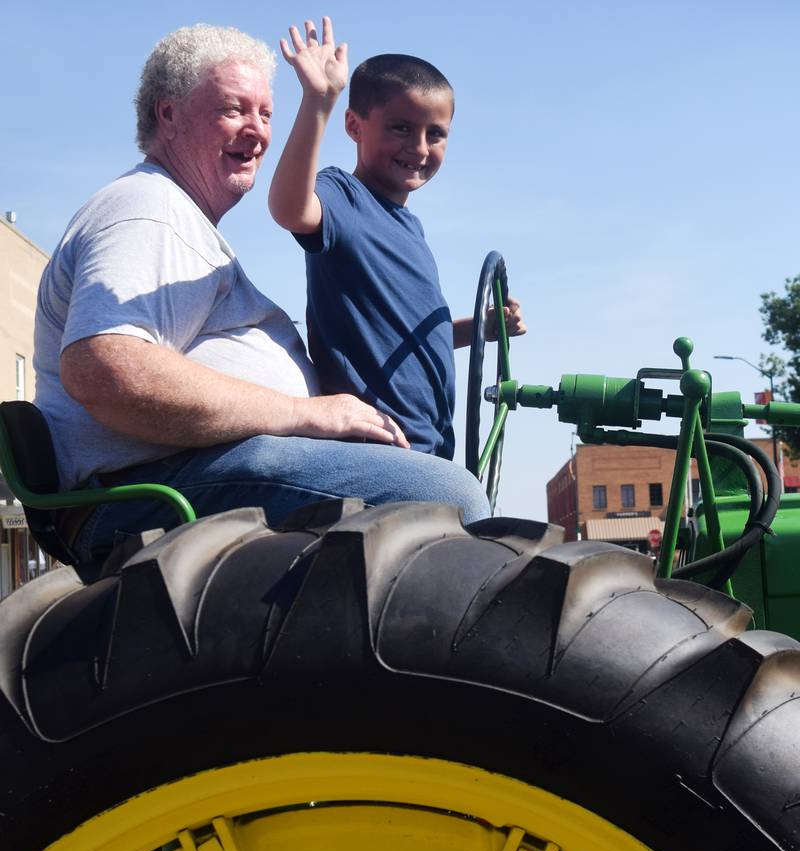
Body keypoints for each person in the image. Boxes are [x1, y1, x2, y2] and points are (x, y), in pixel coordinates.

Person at [32, 23, 491, 567]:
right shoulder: (148, 210)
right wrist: (307, 413)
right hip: (146, 495)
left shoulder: (184, 223)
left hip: (193, 475)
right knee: (448, 498)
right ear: (168, 114)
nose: (256, 131)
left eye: (265, 114)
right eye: (233, 109)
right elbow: (103, 371)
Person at [268, 18, 526, 461]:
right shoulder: (344, 197)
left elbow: (410, 335)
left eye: (436, 134)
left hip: (430, 446)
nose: (420, 148)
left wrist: (479, 330)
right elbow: (291, 209)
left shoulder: (411, 230)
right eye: (401, 128)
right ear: (354, 126)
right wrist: (318, 101)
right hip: (379, 445)